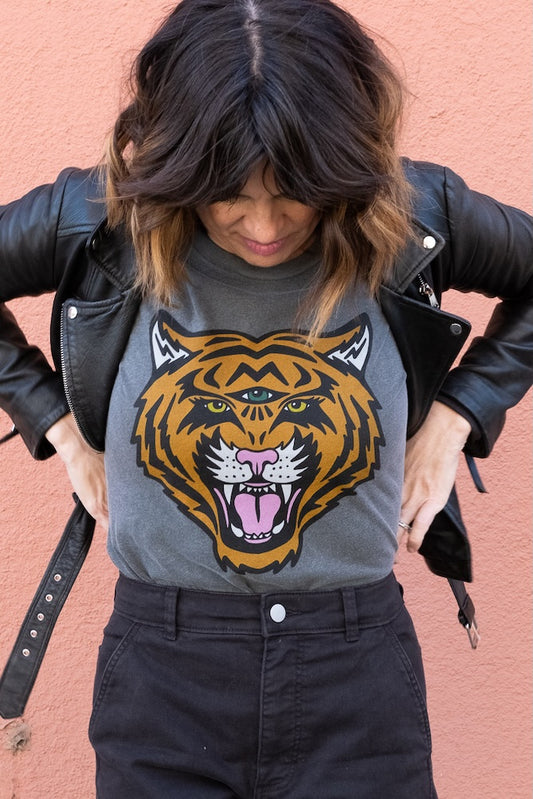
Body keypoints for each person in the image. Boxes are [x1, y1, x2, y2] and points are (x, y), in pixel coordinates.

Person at [0, 0, 531, 796]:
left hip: (354, 667)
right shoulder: (102, 217)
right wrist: (57, 427)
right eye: (225, 196)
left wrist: (457, 416)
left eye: (294, 194)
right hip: (164, 670)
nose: (261, 224)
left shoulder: (414, 213)